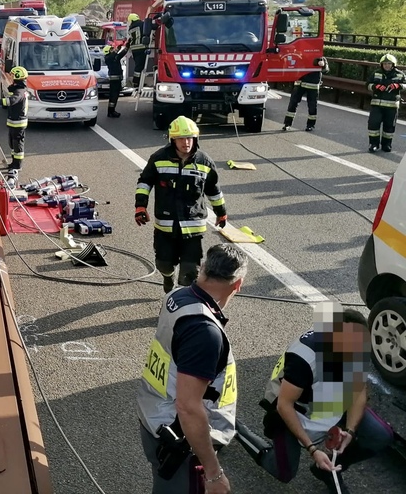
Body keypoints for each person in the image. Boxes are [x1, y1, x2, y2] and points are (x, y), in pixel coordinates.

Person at [235, 305, 395, 493]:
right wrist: (313, 450)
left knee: (380, 435)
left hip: (325, 396)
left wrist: (350, 432)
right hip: (295, 404)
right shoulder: (304, 359)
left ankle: (328, 469)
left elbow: (358, 391)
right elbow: (284, 404)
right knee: (283, 471)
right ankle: (236, 428)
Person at [137, 243, 248, 494]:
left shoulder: (178, 297)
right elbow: (188, 407)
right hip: (181, 439)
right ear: (237, 285)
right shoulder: (204, 332)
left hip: (154, 417)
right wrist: (213, 473)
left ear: (203, 268)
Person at [136, 116, 227, 292]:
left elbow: (213, 190)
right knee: (163, 264)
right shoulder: (158, 158)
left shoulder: (204, 162)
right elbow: (144, 183)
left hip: (193, 228)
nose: (186, 143)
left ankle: (181, 301)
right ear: (173, 139)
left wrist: (221, 212)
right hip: (165, 227)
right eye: (181, 138)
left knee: (189, 272)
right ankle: (168, 277)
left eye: (190, 138)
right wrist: (140, 206)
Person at [0, 66, 29, 185]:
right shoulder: (18, 89)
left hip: (18, 123)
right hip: (14, 122)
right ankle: (14, 163)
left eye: (12, 76)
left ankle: (17, 165)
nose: (10, 78)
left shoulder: (20, 91)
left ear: (17, 77)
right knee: (13, 144)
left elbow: (12, 101)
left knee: (17, 145)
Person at [367, 53, 405, 152]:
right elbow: (368, 84)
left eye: (389, 63)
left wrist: (398, 86)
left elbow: (405, 84)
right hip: (377, 105)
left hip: (392, 105)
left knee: (389, 126)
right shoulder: (376, 73)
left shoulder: (400, 74)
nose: (387, 65)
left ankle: (387, 145)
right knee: (373, 124)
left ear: (393, 64)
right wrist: (376, 87)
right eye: (384, 64)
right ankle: (373, 144)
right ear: (381, 64)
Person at [283, 57, 329, 132]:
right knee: (292, 104)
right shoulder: (301, 55)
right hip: (299, 83)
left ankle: (310, 125)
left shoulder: (320, 57)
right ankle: (287, 124)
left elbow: (326, 70)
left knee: (312, 106)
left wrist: (323, 65)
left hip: (312, 85)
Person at [103, 42, 128, 117]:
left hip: (117, 79)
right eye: (111, 49)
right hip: (114, 80)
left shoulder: (113, 57)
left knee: (115, 96)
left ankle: (112, 111)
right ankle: (111, 111)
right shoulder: (108, 58)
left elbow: (120, 55)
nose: (113, 50)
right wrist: (117, 49)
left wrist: (126, 48)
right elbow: (113, 55)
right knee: (113, 96)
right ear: (108, 51)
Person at [127, 13, 149, 87]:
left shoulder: (130, 28)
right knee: (140, 66)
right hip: (141, 48)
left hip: (134, 49)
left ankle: (139, 82)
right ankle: (136, 82)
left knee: (138, 66)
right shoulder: (141, 24)